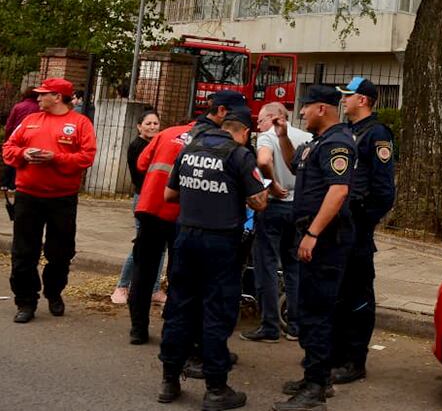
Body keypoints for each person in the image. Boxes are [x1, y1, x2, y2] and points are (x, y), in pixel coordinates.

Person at [156, 105, 269, 411]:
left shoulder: (190, 149)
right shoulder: (239, 155)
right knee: (216, 311)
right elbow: (258, 202)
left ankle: (169, 380)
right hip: (220, 243)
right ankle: (216, 388)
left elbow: (169, 195)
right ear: (244, 132)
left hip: (186, 238)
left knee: (180, 307)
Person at [130, 91, 249, 346]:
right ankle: (175, 330)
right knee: (181, 275)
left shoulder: (169, 132)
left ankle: (138, 329)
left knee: (144, 270)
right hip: (184, 216)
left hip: (151, 207)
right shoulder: (213, 142)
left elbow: (142, 163)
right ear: (221, 113)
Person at [274, 84, 357, 411]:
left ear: (321, 108)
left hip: (325, 241)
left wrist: (312, 233)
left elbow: (338, 192)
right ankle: (317, 378)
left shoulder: (338, 143)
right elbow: (296, 167)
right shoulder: (317, 144)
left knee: (317, 313)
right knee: (309, 309)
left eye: (305, 109)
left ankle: (314, 390)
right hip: (311, 236)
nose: (301, 115)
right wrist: (282, 137)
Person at [0, 77, 97, 324]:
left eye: (44, 94)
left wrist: (55, 158)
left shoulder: (80, 123)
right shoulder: (30, 120)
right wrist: (24, 154)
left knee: (61, 252)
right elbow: (8, 148)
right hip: (28, 196)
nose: (38, 98)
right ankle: (25, 301)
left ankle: (54, 292)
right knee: (23, 252)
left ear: (58, 97)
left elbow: (86, 157)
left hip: (62, 198)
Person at [328, 77, 395, 385]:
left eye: (348, 95)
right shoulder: (346, 133)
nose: (343, 100)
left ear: (363, 100)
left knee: (357, 296)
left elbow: (384, 192)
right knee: (338, 294)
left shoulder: (376, 135)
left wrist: (363, 221)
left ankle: (354, 360)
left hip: (356, 228)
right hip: (339, 227)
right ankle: (335, 354)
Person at [241, 102, 310, 344]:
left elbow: (262, 161)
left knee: (266, 265)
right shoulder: (306, 136)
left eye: (260, 120)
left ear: (272, 117)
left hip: (274, 206)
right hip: (298, 207)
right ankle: (295, 325)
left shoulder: (267, 137)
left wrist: (271, 183)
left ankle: (269, 325)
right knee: (294, 266)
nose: (257, 125)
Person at [112, 109, 166, 306]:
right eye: (148, 123)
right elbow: (142, 175)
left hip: (160, 199)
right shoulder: (138, 146)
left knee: (160, 248)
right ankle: (122, 285)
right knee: (142, 244)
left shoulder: (158, 144)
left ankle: (154, 289)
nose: (152, 127)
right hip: (144, 198)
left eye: (155, 123)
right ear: (139, 126)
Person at [1, 82, 41, 192]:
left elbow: (10, 123)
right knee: (23, 161)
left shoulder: (18, 106)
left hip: (15, 134)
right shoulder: (38, 109)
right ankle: (14, 184)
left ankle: (5, 183)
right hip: (29, 136)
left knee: (12, 159)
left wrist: (7, 137)